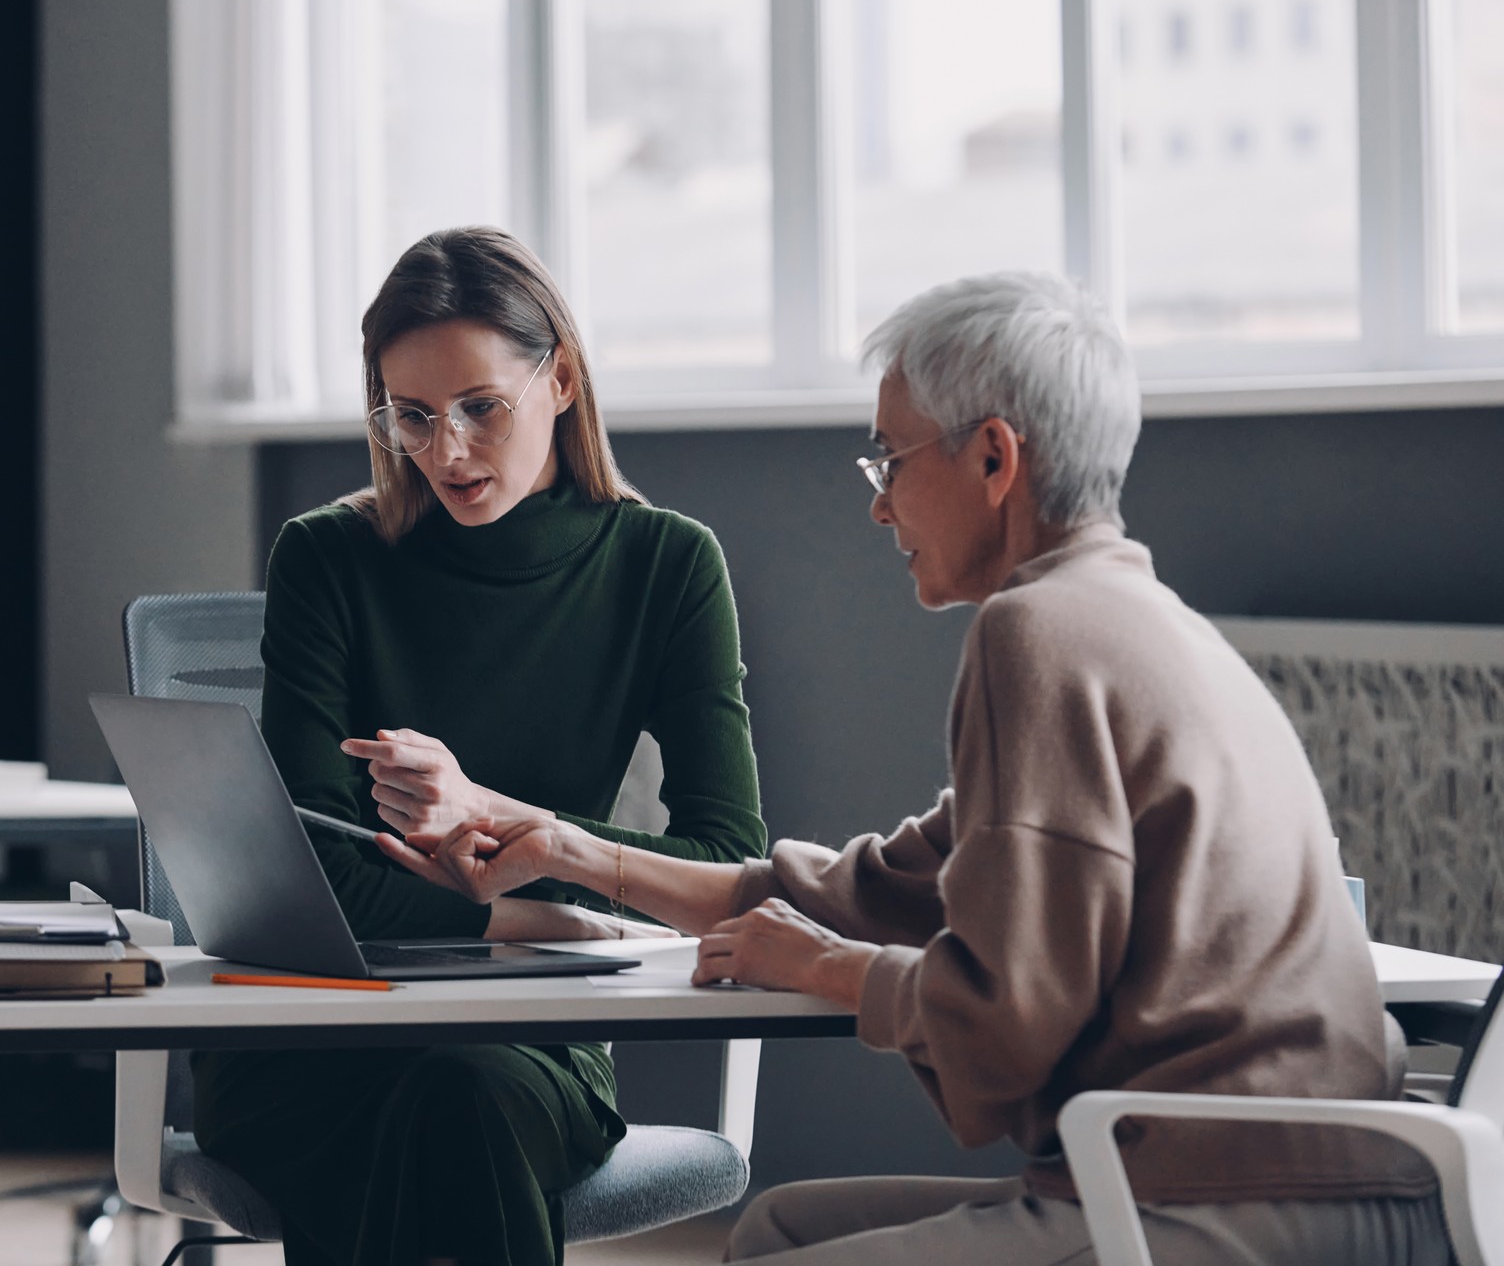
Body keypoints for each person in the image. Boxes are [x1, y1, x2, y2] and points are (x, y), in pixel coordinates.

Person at [379, 271, 1450, 1264]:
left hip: (1218, 1207)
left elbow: (1006, 1024)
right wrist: (568, 847)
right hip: (1307, 1180)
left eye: (891, 460)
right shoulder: (1135, 621)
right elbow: (848, 890)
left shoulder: (1037, 635)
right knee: (779, 1227)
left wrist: (828, 968)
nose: (880, 503)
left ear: (993, 457)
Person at [191, 226, 767, 1266]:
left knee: (459, 1094)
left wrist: (501, 820)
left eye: (479, 408)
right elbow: (303, 875)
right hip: (315, 1031)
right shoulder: (329, 557)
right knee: (419, 1108)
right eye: (411, 415)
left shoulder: (667, 567)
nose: (445, 450)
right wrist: (530, 910)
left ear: (563, 379)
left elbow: (730, 866)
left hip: (524, 1040)